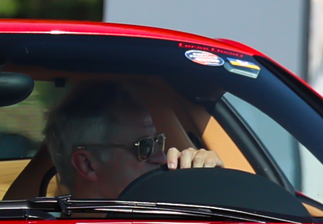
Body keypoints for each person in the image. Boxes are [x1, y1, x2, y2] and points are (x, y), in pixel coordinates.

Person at [43, 80, 220, 201]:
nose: (162, 158)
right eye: (145, 146)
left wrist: (211, 182)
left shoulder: (178, 219)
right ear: (87, 164)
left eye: (157, 142)